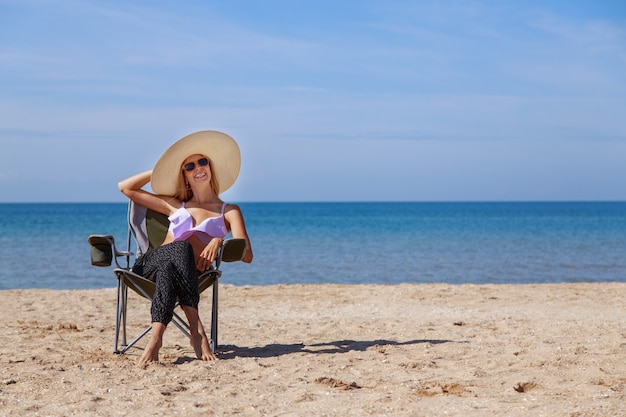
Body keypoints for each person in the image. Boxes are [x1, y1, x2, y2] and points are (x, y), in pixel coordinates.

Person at [118, 130, 253, 367]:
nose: (198, 168)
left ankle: (156, 338)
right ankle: (197, 330)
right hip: (149, 267)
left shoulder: (229, 211)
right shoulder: (175, 205)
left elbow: (247, 255)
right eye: (189, 166)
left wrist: (219, 241)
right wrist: (162, 170)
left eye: (203, 162)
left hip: (188, 275)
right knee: (180, 248)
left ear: (211, 168)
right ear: (184, 175)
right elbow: (126, 187)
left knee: (171, 269)